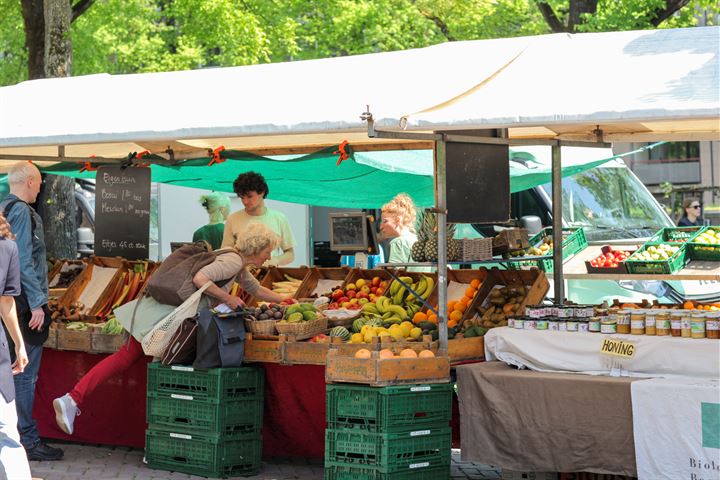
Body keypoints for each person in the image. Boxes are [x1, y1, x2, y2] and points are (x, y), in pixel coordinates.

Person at [52, 223, 288, 436]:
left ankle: (80, 401)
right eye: (268, 251)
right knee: (138, 362)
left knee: (144, 364)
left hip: (167, 313)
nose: (269, 256)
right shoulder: (233, 261)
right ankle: (74, 398)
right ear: (258, 247)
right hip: (167, 317)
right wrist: (228, 297)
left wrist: (289, 302)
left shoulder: (237, 265)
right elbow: (200, 278)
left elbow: (257, 290)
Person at [0, 161, 63, 461]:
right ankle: (28, 439)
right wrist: (38, 301)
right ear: (27, 182)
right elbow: (23, 259)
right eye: (38, 182)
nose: (40, 188)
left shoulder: (4, 209)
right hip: (26, 307)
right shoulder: (23, 213)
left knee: (14, 371)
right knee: (25, 374)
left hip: (13, 303)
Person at [0, 214, 32, 479]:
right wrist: (19, 345)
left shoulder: (7, 247)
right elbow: (6, 303)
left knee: (6, 431)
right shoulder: (7, 247)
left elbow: (7, 302)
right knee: (6, 433)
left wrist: (19, 345)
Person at [222, 172, 295, 266]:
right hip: (242, 276)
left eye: (249, 196)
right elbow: (226, 254)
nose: (245, 201)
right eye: (242, 197)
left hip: (270, 275)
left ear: (262, 192)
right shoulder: (232, 219)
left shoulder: (279, 218)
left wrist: (276, 261)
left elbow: (290, 254)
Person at [380, 193, 418, 264]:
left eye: (385, 221)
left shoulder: (398, 243)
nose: (381, 227)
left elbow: (395, 273)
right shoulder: (415, 240)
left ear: (398, 220)